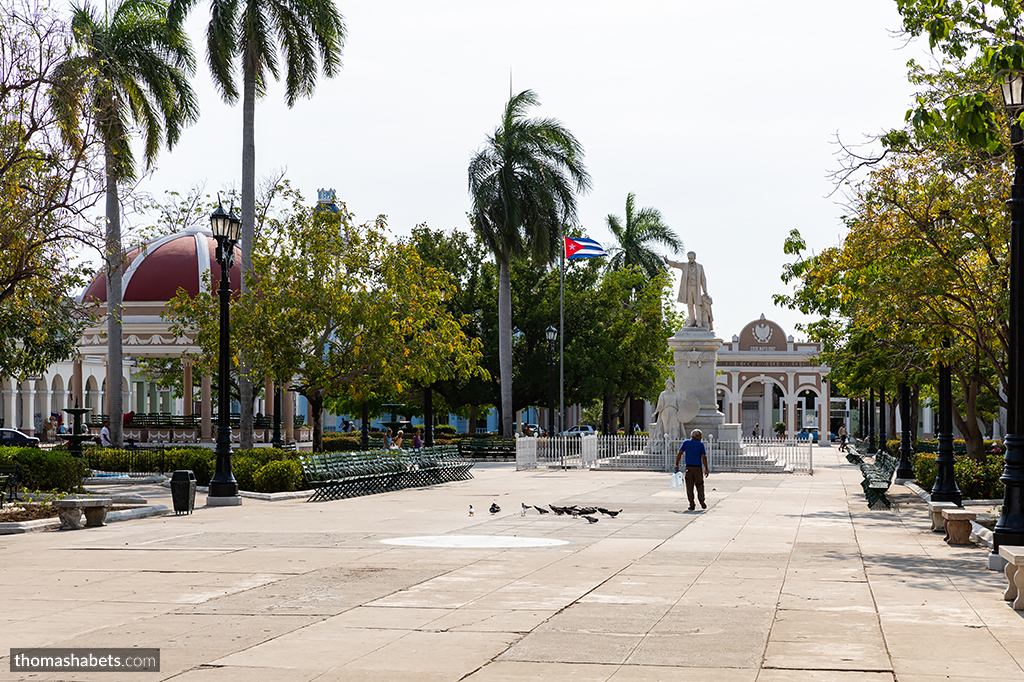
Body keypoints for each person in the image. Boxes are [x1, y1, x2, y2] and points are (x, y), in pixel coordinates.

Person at [664, 251, 711, 329]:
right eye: (689, 258)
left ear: (694, 257)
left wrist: (705, 290)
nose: (690, 259)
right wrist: (668, 261)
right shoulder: (685, 265)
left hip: (696, 287)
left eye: (691, 258)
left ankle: (699, 322)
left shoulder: (700, 267)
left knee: (697, 304)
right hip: (688, 287)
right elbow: (676, 264)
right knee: (690, 305)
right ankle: (692, 322)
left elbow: (703, 279)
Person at [674, 428, 710, 511]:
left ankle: (692, 504)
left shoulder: (686, 443)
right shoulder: (700, 445)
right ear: (696, 436)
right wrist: (706, 469)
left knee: (689, 486)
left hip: (689, 468)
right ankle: (701, 499)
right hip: (698, 468)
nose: (701, 437)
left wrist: (677, 464)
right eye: (700, 436)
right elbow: (704, 457)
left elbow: (680, 453)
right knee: (700, 484)